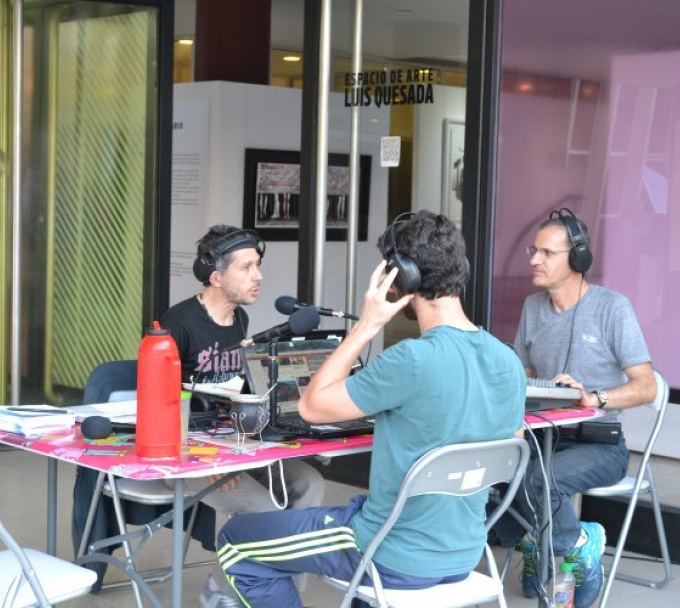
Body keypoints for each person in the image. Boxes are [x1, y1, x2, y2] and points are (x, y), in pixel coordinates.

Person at [214, 211, 526, 608]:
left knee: (238, 541)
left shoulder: (412, 359)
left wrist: (366, 325)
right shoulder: (508, 361)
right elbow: (508, 447)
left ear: (402, 279)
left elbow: (310, 406)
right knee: (353, 513)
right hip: (465, 553)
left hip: (391, 551)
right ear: (459, 270)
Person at [495, 208, 656, 608]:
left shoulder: (612, 308)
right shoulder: (533, 308)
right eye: (534, 250)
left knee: (536, 480)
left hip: (599, 444)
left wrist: (594, 398)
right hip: (543, 437)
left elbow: (646, 387)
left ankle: (580, 543)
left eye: (547, 253)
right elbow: (525, 372)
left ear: (578, 259)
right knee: (496, 468)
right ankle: (551, 545)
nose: (533, 259)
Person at [161, 224, 325, 608]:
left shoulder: (240, 320)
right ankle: (222, 589)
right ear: (216, 277)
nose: (259, 276)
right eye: (247, 267)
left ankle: (280, 595)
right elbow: (157, 403)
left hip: (240, 444)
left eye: (258, 265)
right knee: (267, 512)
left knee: (311, 483)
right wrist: (196, 461)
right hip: (193, 456)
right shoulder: (178, 324)